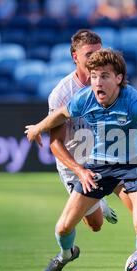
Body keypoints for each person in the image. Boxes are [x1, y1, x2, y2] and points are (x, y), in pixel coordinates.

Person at [25, 48, 137, 271]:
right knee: (63, 228)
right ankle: (66, 255)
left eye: (105, 76)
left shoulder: (134, 100)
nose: (97, 82)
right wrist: (37, 127)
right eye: (94, 76)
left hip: (135, 163)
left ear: (118, 78)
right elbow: (59, 115)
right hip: (100, 163)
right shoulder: (85, 98)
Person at [46, 29, 120, 232]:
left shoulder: (110, 82)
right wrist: (80, 171)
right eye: (89, 54)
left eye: (98, 53)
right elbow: (55, 143)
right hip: (75, 163)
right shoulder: (62, 93)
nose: (94, 59)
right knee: (96, 225)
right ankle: (98, 204)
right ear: (75, 57)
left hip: (104, 157)